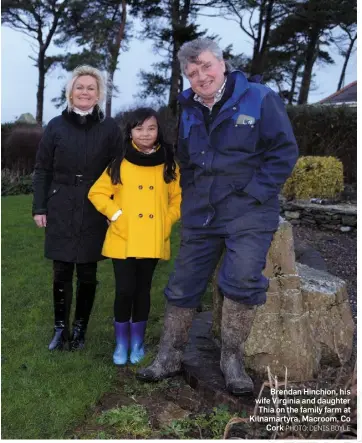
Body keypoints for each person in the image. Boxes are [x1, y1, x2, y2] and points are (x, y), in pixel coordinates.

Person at [137, 38, 299, 395]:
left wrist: (255, 193)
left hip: (249, 212)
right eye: (193, 73)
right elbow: (187, 160)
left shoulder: (259, 98)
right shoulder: (187, 108)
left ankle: (231, 359)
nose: (201, 76)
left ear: (222, 63)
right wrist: (193, 195)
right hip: (202, 213)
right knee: (182, 283)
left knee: (242, 279)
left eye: (206, 66)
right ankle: (169, 356)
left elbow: (284, 151)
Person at [32, 65, 122, 352]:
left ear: (98, 95)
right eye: (79, 87)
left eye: (91, 88)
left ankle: (80, 331)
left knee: (86, 271)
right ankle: (61, 330)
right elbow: (42, 169)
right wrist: (39, 207)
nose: (85, 92)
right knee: (61, 270)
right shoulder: (56, 126)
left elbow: (119, 173)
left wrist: (113, 209)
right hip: (60, 204)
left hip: (95, 206)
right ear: (70, 92)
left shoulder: (110, 129)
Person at [88, 107, 181, 365]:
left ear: (158, 130)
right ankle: (121, 344)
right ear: (130, 131)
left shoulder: (169, 163)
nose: (145, 134)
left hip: (152, 236)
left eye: (151, 128)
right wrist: (116, 214)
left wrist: (166, 220)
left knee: (143, 291)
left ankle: (137, 343)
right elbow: (96, 193)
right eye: (139, 128)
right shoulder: (119, 162)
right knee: (125, 290)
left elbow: (178, 199)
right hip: (123, 237)